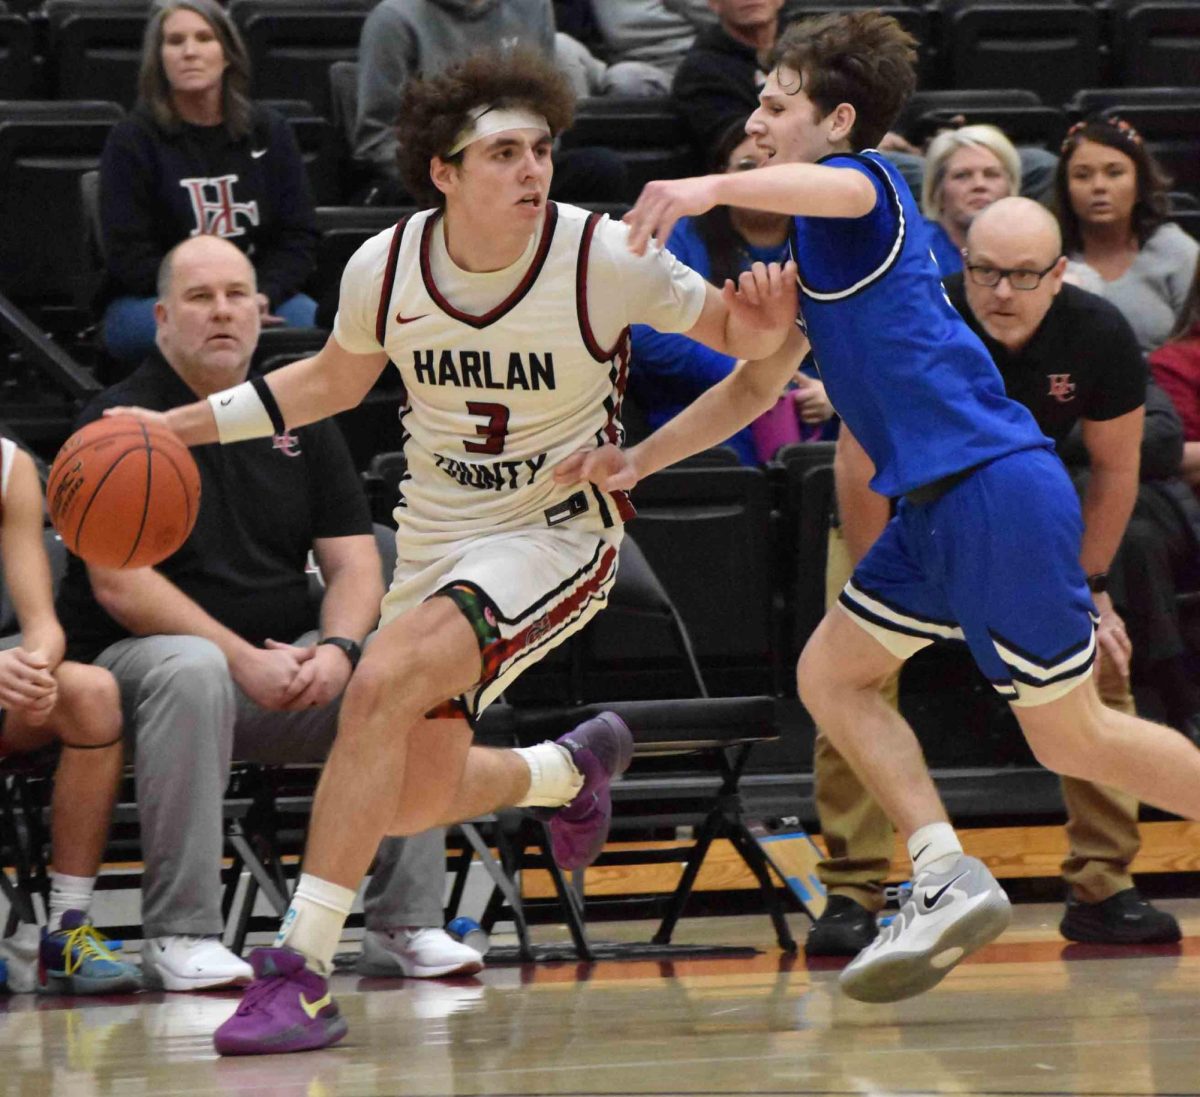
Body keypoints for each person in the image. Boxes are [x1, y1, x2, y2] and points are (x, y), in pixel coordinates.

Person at [108, 49, 794, 1054]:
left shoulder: (605, 255)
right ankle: (564, 769)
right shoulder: (383, 266)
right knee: (413, 794)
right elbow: (332, 383)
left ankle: (298, 972)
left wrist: (766, 340)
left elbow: (750, 349)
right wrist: (177, 427)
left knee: (378, 682)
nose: (532, 170)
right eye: (504, 152)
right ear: (443, 168)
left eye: (542, 150)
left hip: (555, 532)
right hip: (436, 538)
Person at [562, 10, 1200, 1004]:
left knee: (1074, 737)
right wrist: (637, 460)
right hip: (931, 513)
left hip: (994, 487)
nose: (758, 120)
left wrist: (707, 183)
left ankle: (947, 870)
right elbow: (749, 386)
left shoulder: (871, 187)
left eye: (778, 104)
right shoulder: (814, 251)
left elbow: (816, 181)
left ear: (840, 117)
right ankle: (944, 869)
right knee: (833, 673)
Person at [58, 234, 483, 992]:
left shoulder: (300, 416)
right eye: (200, 297)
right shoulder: (117, 421)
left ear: (261, 311)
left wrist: (342, 649)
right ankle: (181, 934)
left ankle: (404, 920)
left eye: (236, 295)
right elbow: (122, 587)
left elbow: (356, 562)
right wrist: (239, 656)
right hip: (131, 680)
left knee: (408, 671)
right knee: (192, 669)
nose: (222, 311)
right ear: (161, 316)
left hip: (279, 672)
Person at [804, 197, 1182, 959]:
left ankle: (1103, 880)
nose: (1000, 291)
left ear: (1059, 275)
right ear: (957, 264)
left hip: (1019, 516)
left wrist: (1094, 582)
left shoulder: (1097, 330)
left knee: (1079, 728)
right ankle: (871, 882)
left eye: (1020, 275)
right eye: (983, 272)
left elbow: (1116, 469)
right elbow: (857, 456)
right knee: (837, 677)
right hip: (915, 516)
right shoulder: (923, 314)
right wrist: (872, 570)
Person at [97, 0, 319, 367]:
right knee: (189, 332)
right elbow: (128, 255)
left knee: (320, 328)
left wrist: (256, 296)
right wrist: (206, 302)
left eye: (204, 38)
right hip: (155, 298)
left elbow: (299, 236)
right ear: (159, 59)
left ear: (228, 53)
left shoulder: (270, 131)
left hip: (259, 295)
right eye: (174, 41)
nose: (189, 51)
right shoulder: (132, 139)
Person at [0, 437, 139, 995]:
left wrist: (34, 667)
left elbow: (43, 623)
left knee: (88, 693)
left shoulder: (8, 465)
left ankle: (67, 928)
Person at [630, 118, 833, 464]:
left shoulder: (823, 241)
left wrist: (832, 393)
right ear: (722, 174)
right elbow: (646, 331)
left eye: (776, 168)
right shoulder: (681, 234)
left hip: (812, 407)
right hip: (698, 404)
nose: (759, 180)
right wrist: (739, 368)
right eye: (747, 167)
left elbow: (855, 335)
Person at [354, 0, 627, 206]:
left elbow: (547, 106)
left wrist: (521, 160)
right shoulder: (393, 18)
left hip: (517, 160)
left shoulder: (533, 6)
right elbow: (377, 136)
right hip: (442, 171)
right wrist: (467, 171)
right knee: (413, 194)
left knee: (601, 169)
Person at [1057, 116, 1199, 355]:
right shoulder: (1046, 254)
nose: (1099, 186)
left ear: (1140, 185)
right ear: (1065, 188)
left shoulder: (1177, 251)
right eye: (1082, 175)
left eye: (1114, 173)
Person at [920, 125, 1020, 277]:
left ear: (1011, 187)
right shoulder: (910, 251)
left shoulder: (1030, 246)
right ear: (937, 191)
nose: (979, 184)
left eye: (991, 174)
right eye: (962, 175)